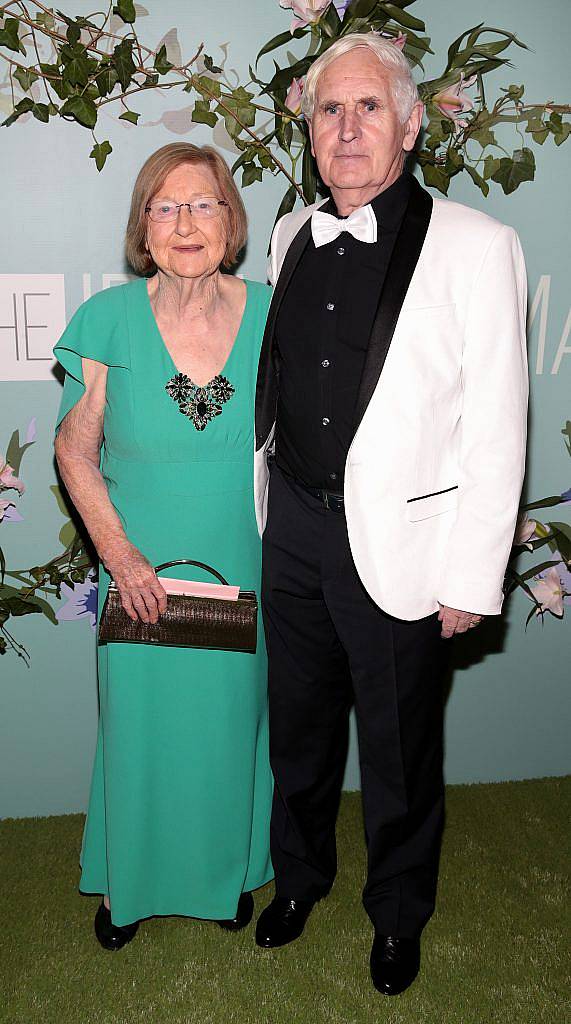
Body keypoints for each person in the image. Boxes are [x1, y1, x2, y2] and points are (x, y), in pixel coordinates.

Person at [253, 34, 528, 995]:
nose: (349, 127)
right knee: (299, 728)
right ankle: (298, 879)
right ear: (310, 130)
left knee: (401, 748)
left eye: (369, 108)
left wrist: (470, 576)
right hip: (290, 523)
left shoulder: (476, 244)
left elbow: (498, 425)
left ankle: (398, 911)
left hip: (406, 544)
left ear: (410, 126)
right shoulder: (290, 233)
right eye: (330, 110)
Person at [54, 142, 273, 950]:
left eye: (204, 204)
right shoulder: (107, 322)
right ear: (143, 229)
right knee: (141, 730)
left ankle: (224, 878)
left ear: (231, 220)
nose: (186, 223)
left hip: (243, 562)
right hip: (138, 567)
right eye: (166, 207)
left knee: (226, 727)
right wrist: (120, 557)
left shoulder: (274, 313)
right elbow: (74, 451)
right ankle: (129, 889)